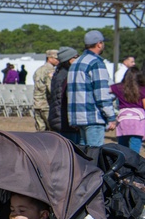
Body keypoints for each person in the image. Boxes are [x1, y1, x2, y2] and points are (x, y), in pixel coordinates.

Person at [67, 30, 115, 160]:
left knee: (83, 157)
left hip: (78, 117)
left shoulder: (76, 63)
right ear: (99, 44)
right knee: (95, 157)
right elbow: (102, 93)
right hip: (93, 116)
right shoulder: (96, 63)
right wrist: (111, 116)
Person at [48, 46, 79, 143]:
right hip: (65, 122)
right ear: (69, 60)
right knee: (72, 153)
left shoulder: (59, 73)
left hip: (58, 120)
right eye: (76, 57)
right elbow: (68, 99)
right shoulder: (67, 76)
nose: (78, 59)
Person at [111, 67, 144, 154]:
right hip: (138, 121)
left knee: (122, 149)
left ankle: (123, 166)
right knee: (134, 151)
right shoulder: (142, 89)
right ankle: (133, 166)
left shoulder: (118, 87)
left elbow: (106, 91)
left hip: (123, 119)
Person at [32, 50, 59, 132]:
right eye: (56, 58)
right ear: (49, 58)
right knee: (52, 130)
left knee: (40, 131)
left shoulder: (39, 70)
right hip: (46, 104)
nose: (58, 61)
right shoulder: (50, 70)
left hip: (37, 103)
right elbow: (51, 88)